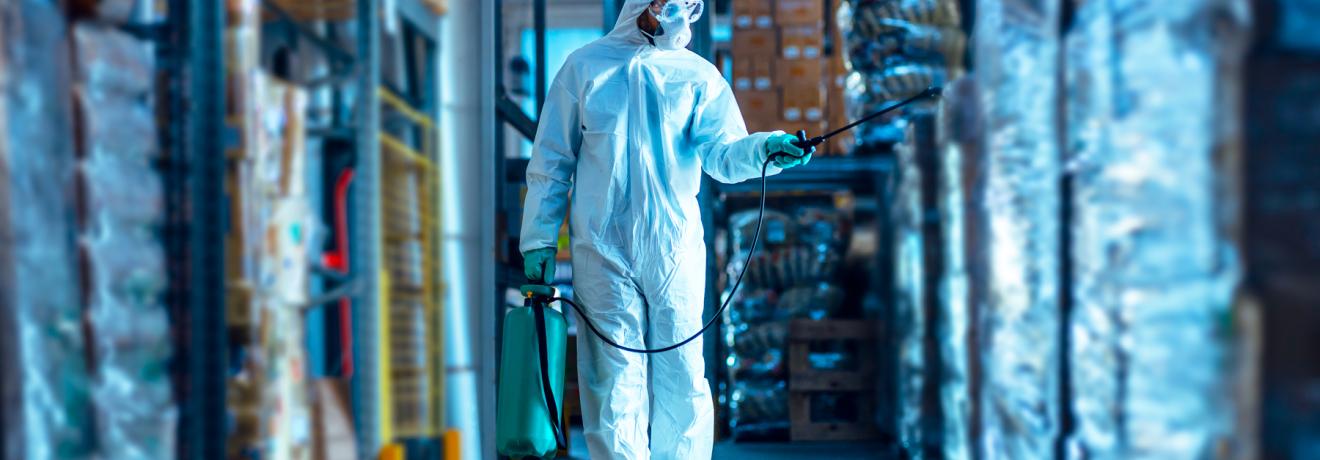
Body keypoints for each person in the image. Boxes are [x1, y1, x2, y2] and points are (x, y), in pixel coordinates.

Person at [519, 1, 812, 458]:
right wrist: (537, 238)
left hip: (673, 251)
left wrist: (764, 150)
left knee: (682, 375)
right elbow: (552, 161)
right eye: (665, 3)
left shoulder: (696, 76)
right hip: (602, 252)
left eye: (686, 4)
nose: (676, 12)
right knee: (613, 382)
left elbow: (724, 153)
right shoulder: (584, 68)